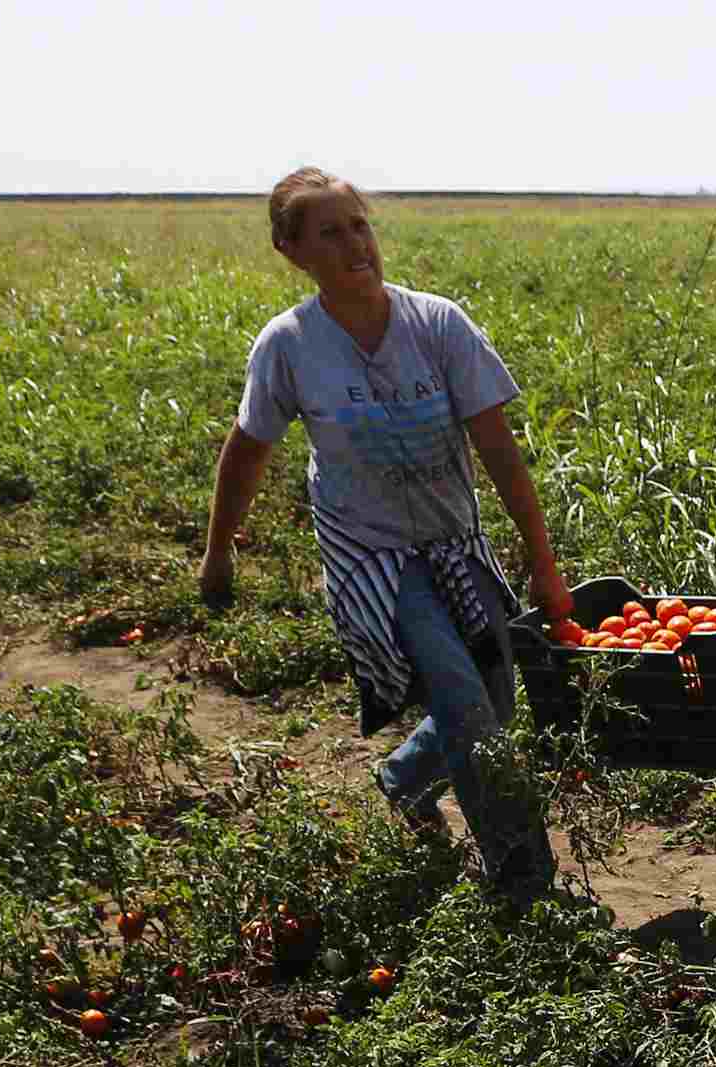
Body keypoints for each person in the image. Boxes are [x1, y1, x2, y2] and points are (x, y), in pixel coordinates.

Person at [199, 169, 573, 892]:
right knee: (468, 710)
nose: (354, 244)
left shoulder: (437, 324)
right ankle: (525, 885)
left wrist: (542, 557)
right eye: (330, 232)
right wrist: (218, 552)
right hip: (373, 560)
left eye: (360, 225)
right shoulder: (290, 346)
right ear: (291, 250)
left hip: (454, 541)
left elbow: (497, 446)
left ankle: (403, 781)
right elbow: (247, 448)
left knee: (495, 702)